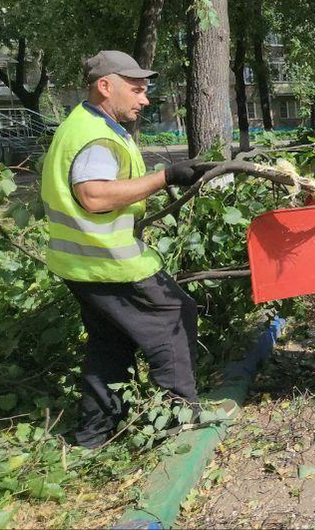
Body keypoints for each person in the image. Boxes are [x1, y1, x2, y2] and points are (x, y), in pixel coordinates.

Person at [40, 50, 206, 448]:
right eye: (136, 89)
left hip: (79, 263)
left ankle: (95, 435)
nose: (144, 98)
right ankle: (177, 422)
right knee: (172, 316)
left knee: (109, 343)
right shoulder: (95, 135)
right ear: (105, 86)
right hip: (108, 263)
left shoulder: (86, 124)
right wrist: (164, 176)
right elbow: (94, 196)